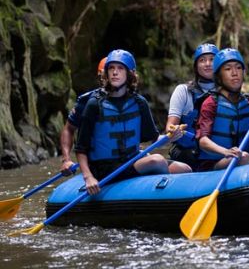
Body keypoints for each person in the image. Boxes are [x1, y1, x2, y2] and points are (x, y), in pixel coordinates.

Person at [75, 49, 191, 195]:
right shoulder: (94, 105)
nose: (115, 72)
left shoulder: (139, 103)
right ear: (106, 73)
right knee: (157, 160)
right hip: (106, 168)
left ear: (129, 74)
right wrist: (88, 177)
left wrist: (171, 136)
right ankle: (162, 195)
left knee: (185, 169)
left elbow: (154, 140)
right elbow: (80, 149)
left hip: (132, 160)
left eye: (120, 68)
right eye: (111, 68)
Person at [195, 48, 249, 171]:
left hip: (243, 158)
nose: (234, 73)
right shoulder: (211, 103)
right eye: (228, 69)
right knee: (244, 157)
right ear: (218, 76)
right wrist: (226, 152)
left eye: (238, 68)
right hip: (214, 164)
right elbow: (203, 141)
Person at [165, 43, 218, 171]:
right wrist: (174, 131)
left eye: (212, 59)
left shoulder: (227, 93)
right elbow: (169, 127)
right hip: (187, 153)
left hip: (217, 151)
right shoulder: (183, 91)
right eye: (202, 60)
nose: (207, 63)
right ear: (196, 66)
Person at [59, 57, 107, 176]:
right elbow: (69, 129)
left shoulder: (133, 100)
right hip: (98, 162)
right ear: (101, 76)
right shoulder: (87, 101)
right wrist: (66, 160)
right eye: (107, 73)